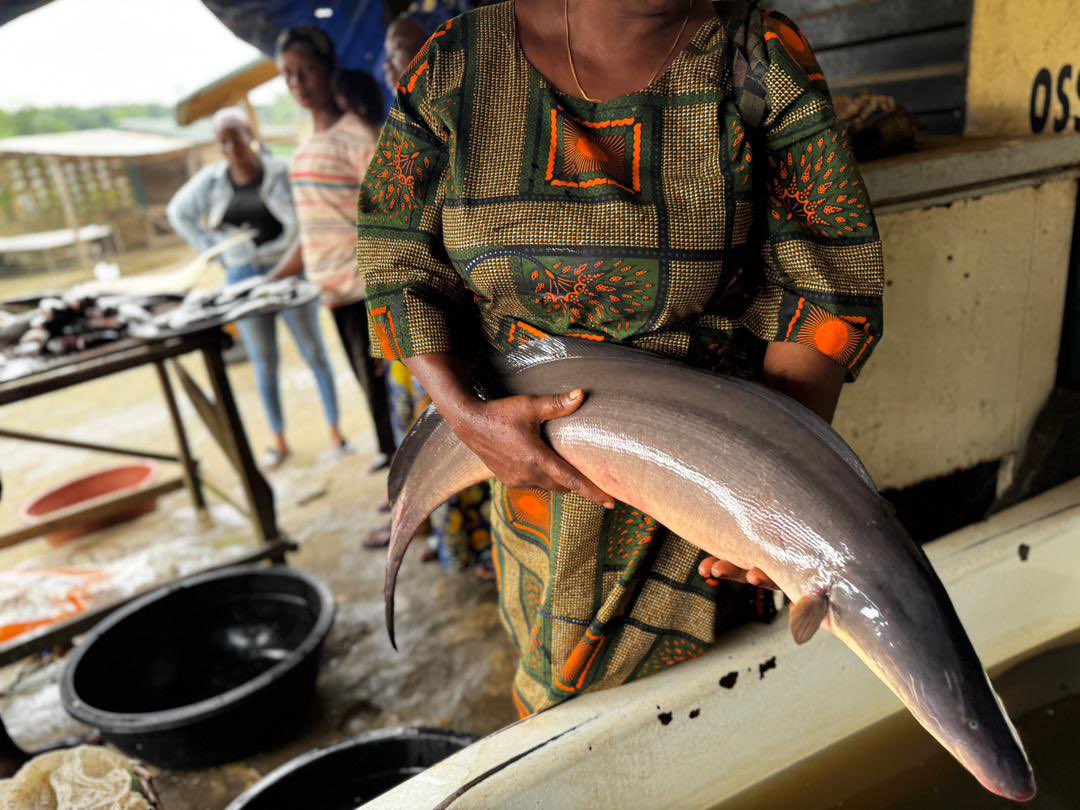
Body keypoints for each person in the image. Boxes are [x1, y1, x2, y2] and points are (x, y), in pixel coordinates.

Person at [358, 0, 886, 717]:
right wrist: (467, 418)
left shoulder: (757, 55)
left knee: (711, 727)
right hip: (532, 492)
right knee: (567, 725)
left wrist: (774, 502)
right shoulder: (455, 66)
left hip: (709, 513)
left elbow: (826, 280)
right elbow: (396, 260)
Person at [167, 106, 345, 469]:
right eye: (223, 141)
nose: (232, 147)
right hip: (242, 278)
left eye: (237, 136)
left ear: (251, 134)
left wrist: (293, 266)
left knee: (315, 353)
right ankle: (278, 440)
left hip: (290, 272)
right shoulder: (212, 182)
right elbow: (179, 213)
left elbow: (308, 220)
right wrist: (211, 251)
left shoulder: (281, 172)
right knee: (264, 362)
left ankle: (336, 433)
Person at [271, 27, 396, 473]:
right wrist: (268, 283)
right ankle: (396, 481)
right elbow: (311, 233)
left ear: (329, 70)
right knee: (371, 392)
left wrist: (390, 299)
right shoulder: (303, 148)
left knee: (391, 398)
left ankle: (412, 509)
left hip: (368, 291)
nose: (299, 83)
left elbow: (392, 221)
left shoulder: (359, 136)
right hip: (336, 294)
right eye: (289, 75)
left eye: (307, 71)